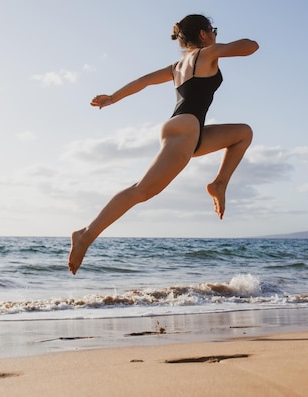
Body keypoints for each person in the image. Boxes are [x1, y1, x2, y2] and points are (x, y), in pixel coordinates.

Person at [68, 14, 259, 275]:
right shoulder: (207, 53)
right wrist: (221, 48)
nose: (215, 34)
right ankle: (85, 236)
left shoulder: (177, 66)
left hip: (189, 131)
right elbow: (251, 46)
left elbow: (143, 81)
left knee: (243, 134)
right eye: (212, 30)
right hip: (185, 129)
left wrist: (113, 97)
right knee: (142, 191)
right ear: (203, 34)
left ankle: (219, 184)